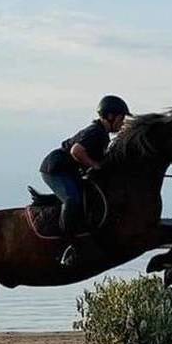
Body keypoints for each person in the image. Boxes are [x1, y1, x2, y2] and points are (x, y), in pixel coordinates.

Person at [39, 95, 130, 267]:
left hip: (67, 171)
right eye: (121, 118)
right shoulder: (96, 132)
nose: (123, 122)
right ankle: (67, 246)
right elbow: (76, 151)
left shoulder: (103, 135)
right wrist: (94, 166)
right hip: (55, 169)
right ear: (110, 116)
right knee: (73, 201)